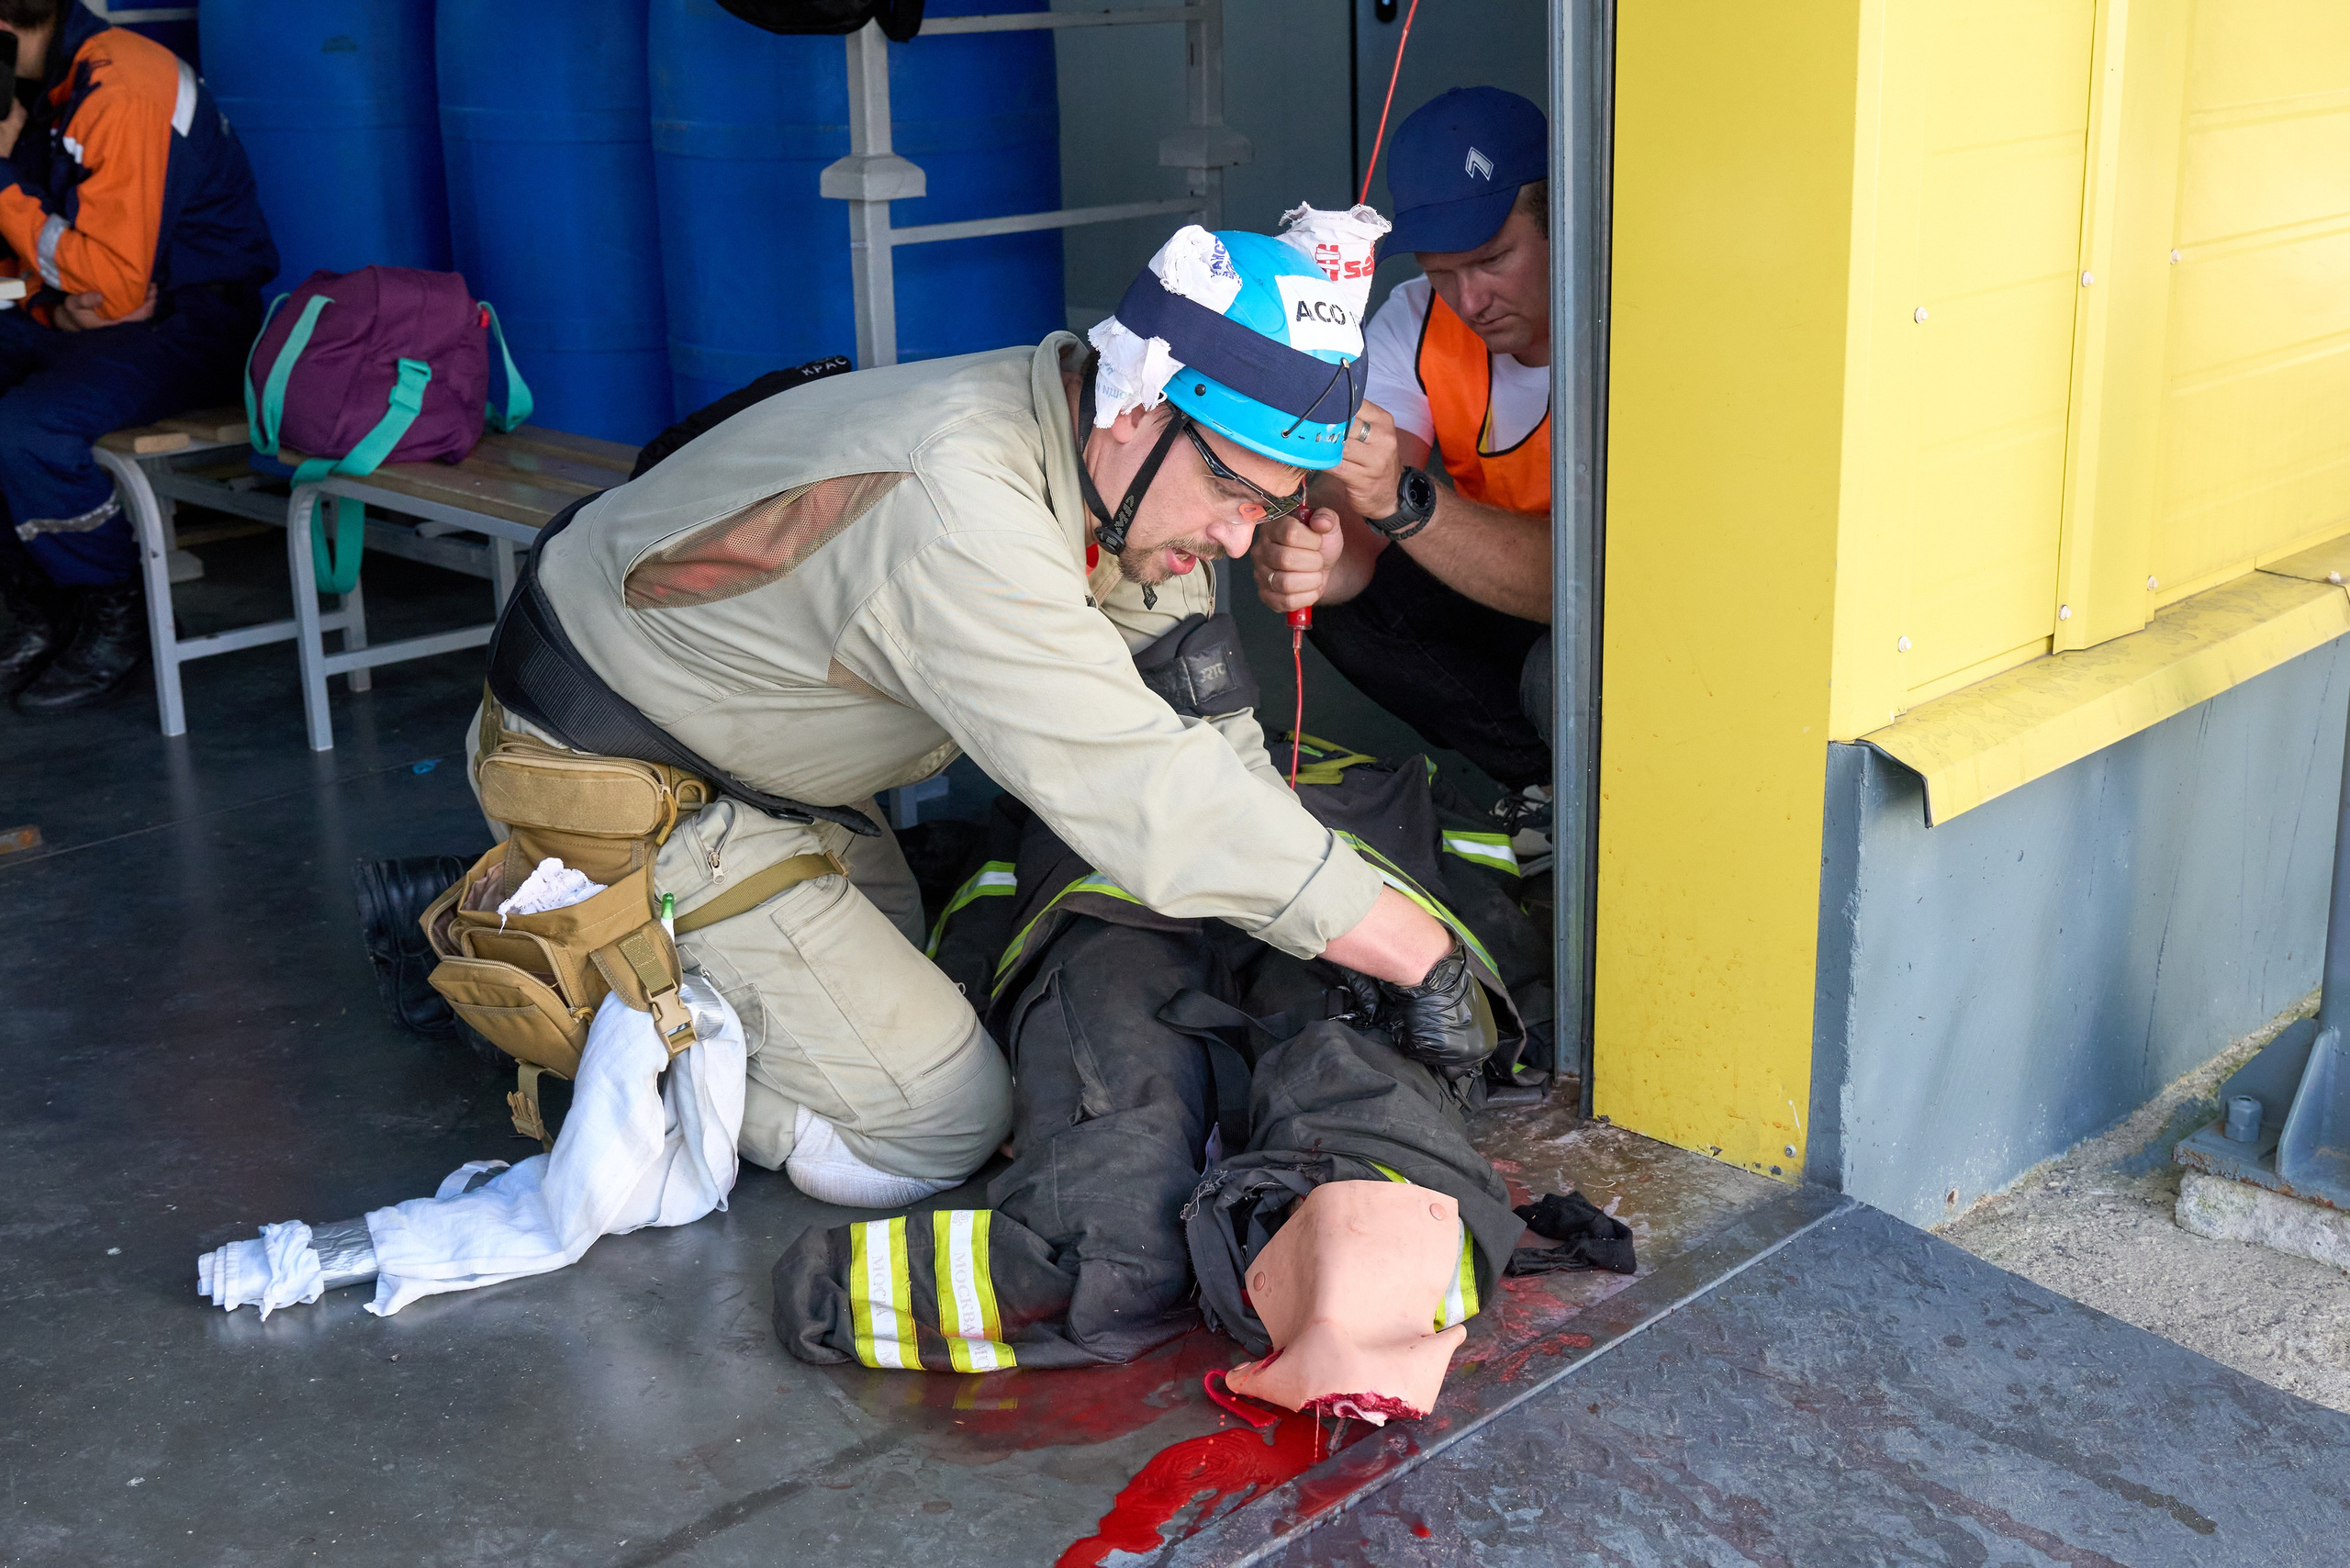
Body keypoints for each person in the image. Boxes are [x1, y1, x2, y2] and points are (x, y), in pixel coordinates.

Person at [474, 218, 1494, 1210]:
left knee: (909, 964)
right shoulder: (963, 514)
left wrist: (1319, 905)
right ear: (1139, 407)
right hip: (623, 781)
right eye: (1234, 489)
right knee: (941, 1121)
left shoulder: (1089, 443)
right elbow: (1141, 790)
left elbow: (1197, 711)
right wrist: (1417, 951)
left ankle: (610, 936)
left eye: (1273, 506)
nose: (1240, 538)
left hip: (760, 767)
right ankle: (564, 949)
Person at [1251, 88, 1556, 852]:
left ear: (1568, 222)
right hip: (1512, 595)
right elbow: (1356, 527)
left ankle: (1601, 788)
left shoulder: (1630, 321)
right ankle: (1546, 791)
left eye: (1493, 260)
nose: (1470, 299)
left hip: (1610, 627)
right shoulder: (1418, 318)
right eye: (1442, 270)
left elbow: (1585, 592)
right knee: (1345, 598)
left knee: (1565, 670)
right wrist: (1316, 555)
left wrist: (1402, 502)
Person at [0, 0, 274, 712]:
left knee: (29, 430)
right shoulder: (56, 90)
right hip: (109, 322)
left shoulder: (120, 84)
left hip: (195, 323)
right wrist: (51, 306)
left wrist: (0, 183)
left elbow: (114, 283)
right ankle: (38, 608)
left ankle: (116, 611)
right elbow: (65, 268)